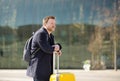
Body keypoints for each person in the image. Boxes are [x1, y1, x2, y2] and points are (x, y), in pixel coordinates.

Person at [27, 16, 62, 81]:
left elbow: (53, 46)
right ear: (45, 24)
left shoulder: (50, 35)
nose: (54, 25)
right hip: (39, 71)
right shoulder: (40, 34)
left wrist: (58, 48)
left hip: (47, 70)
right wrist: (55, 48)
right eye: (51, 23)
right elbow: (47, 48)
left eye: (54, 23)